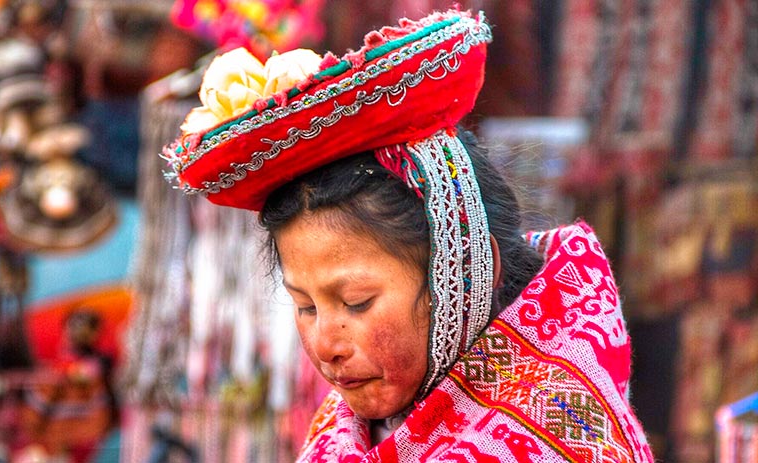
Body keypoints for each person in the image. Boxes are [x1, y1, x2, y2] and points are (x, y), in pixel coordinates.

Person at [162, 8, 654, 462]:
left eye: (356, 302)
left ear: (462, 279)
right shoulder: (343, 431)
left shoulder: (559, 438)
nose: (325, 342)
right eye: (306, 306)